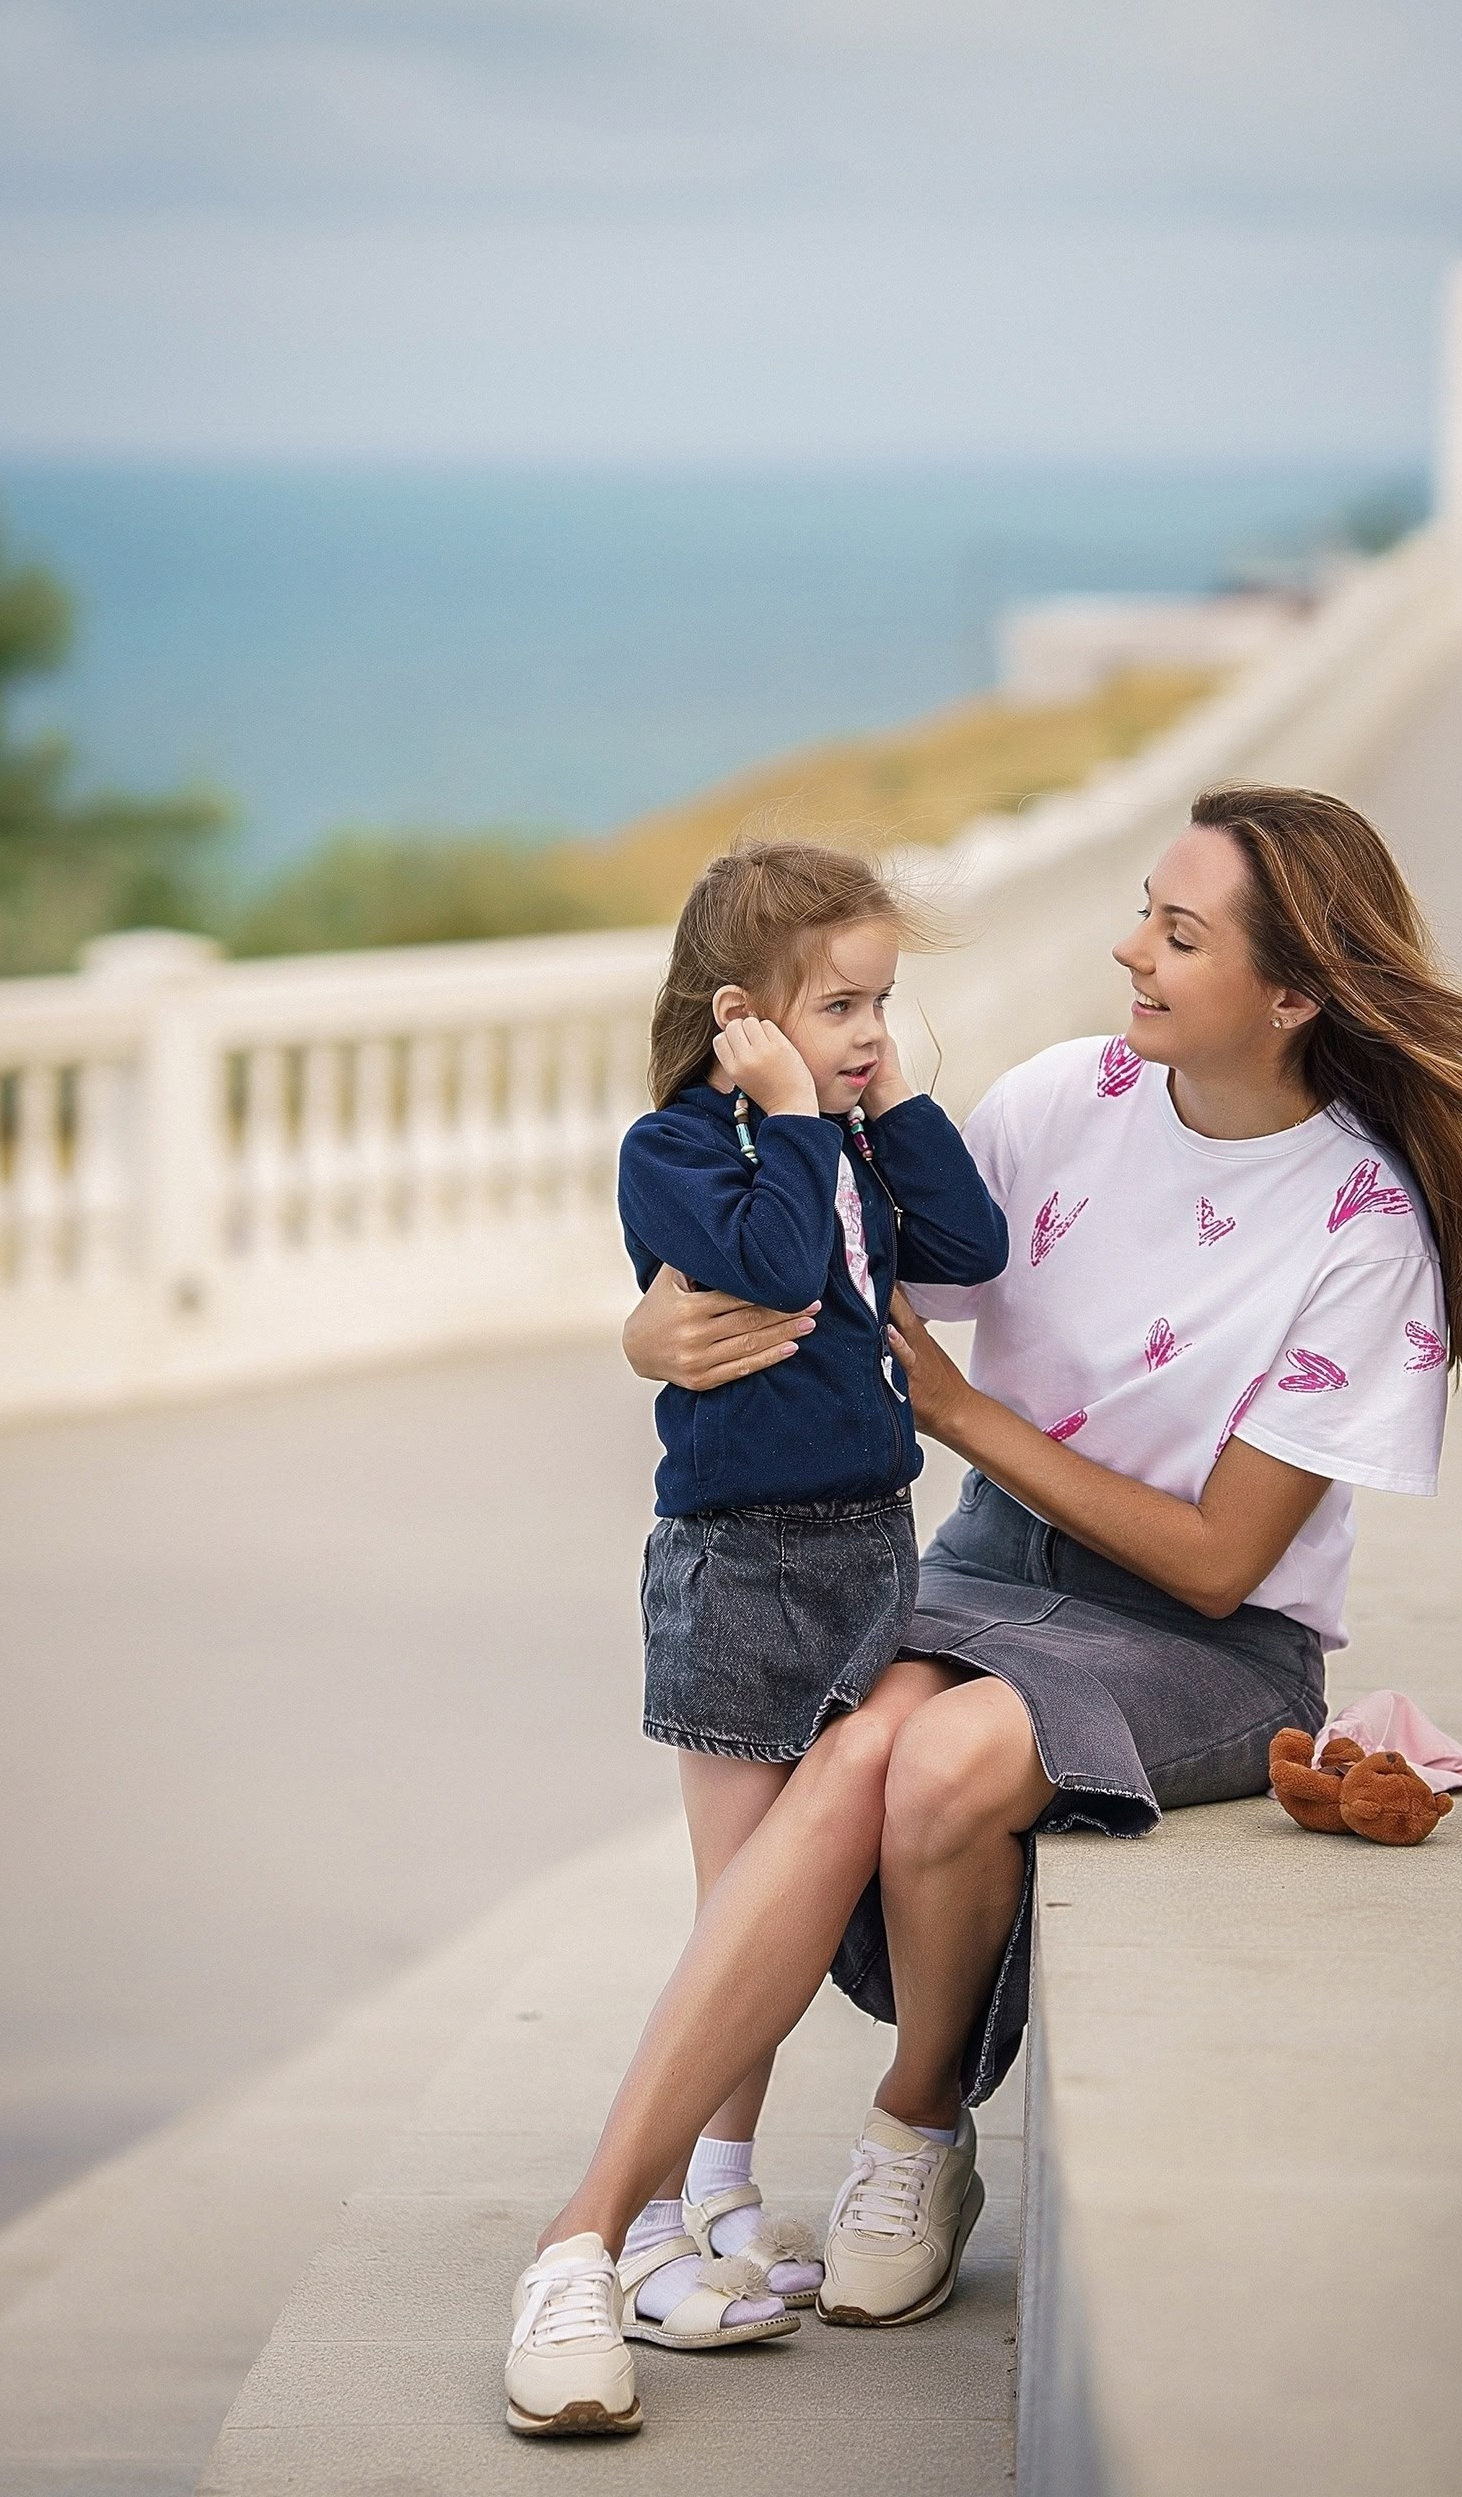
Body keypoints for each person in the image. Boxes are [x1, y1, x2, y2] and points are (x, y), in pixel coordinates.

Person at [504, 783, 1462, 2439]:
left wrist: (969, 1414)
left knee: (937, 1762)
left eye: (1178, 932)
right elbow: (840, 1263)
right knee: (858, 1763)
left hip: (1204, 1643)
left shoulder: (1360, 1224)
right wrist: (650, 1334)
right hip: (986, 1570)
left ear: (1290, 996)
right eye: (1145, 906)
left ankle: (918, 2134)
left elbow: (1218, 1562)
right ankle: (583, 2236)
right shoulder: (1072, 1095)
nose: (1127, 947)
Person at [504, 839, 1006, 2437]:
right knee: (745, 1909)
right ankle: (649, 2219)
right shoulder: (680, 1152)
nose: (869, 1032)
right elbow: (784, 1266)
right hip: (737, 1566)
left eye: (886, 1004)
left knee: (793, 1906)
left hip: (870, 1552)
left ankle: (719, 2190)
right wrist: (794, 1115)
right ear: (739, 1017)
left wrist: (870, 1101)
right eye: (839, 1004)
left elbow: (973, 1248)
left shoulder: (837, 1137)